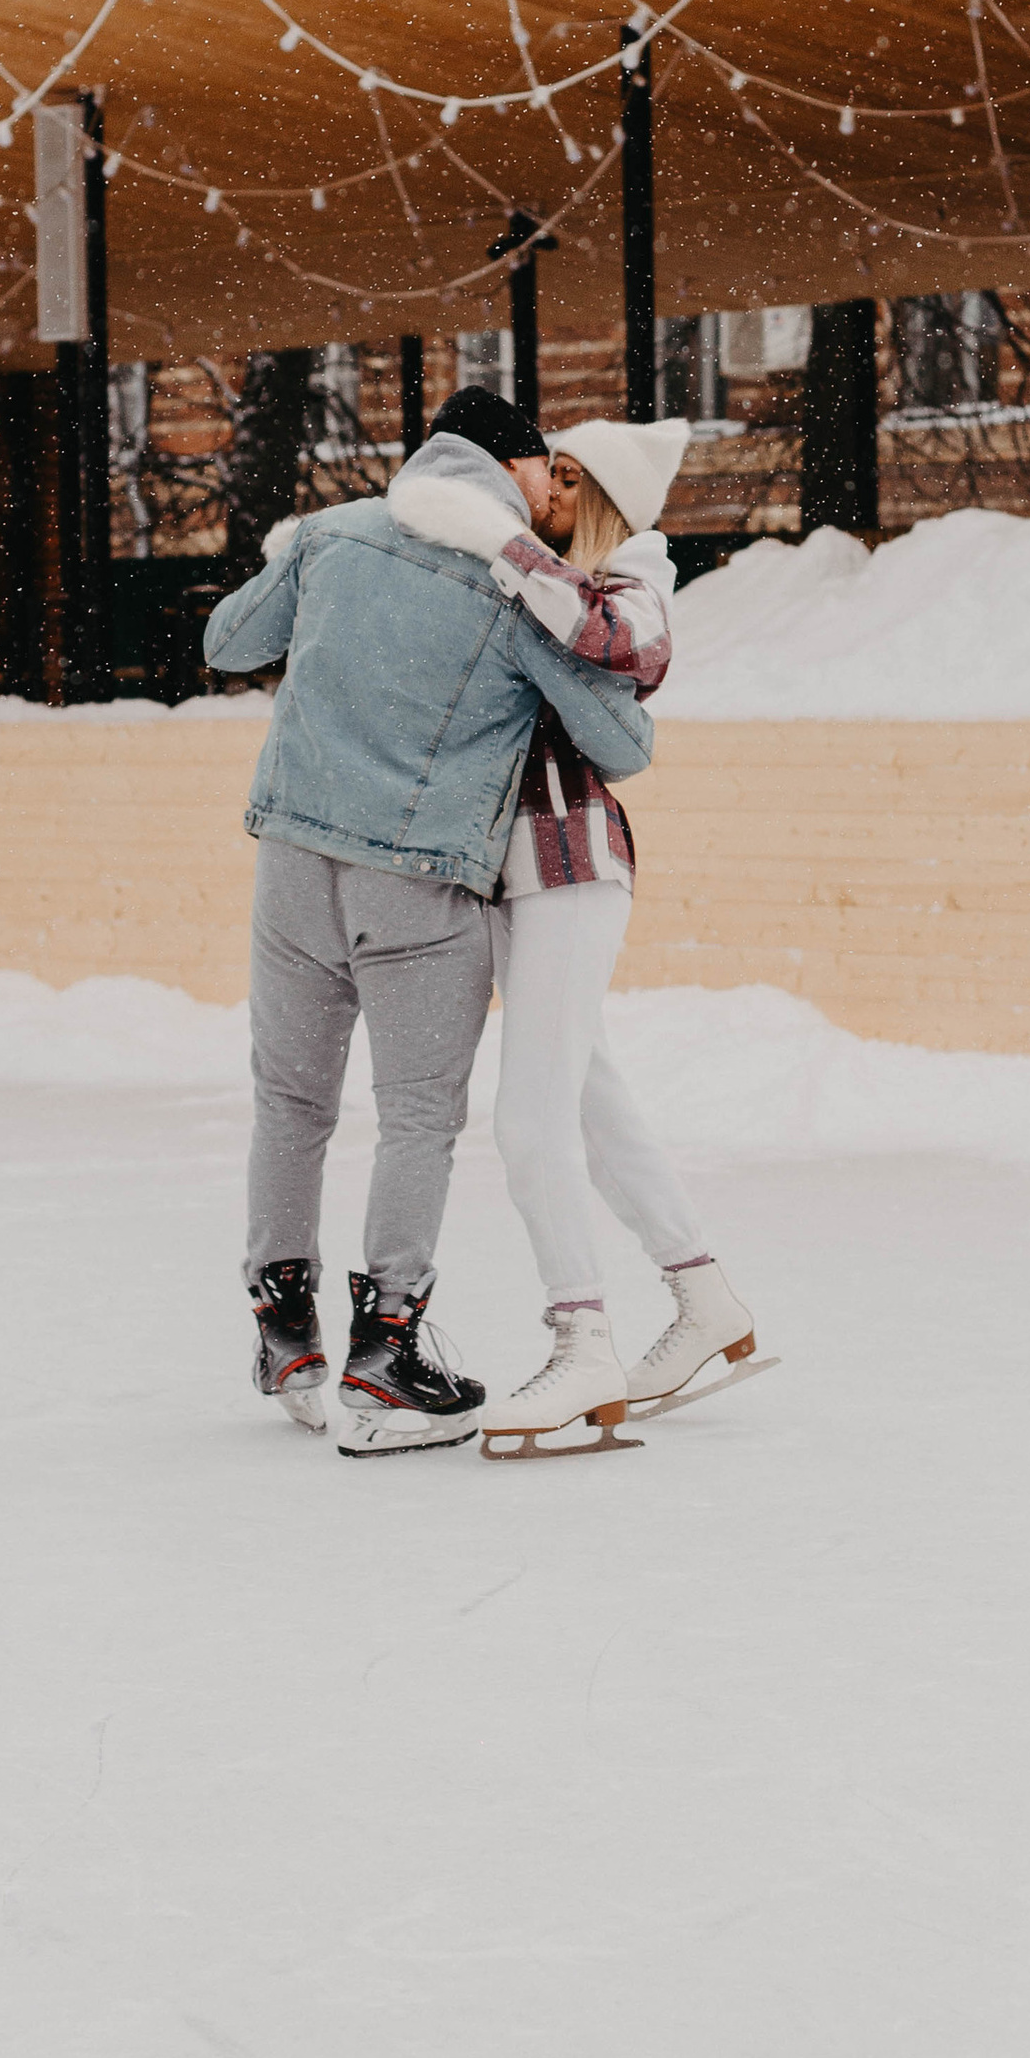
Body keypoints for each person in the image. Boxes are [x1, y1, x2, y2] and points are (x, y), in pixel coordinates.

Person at [199, 387, 654, 1457]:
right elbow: (620, 742)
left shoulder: (334, 533)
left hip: (294, 861)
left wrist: (316, 586)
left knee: (291, 1101)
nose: (556, 493)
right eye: (549, 473)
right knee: (414, 1118)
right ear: (514, 466)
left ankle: (284, 1330)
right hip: (414, 878)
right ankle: (386, 1346)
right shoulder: (508, 577)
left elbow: (228, 643)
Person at [386, 413, 757, 1444]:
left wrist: (489, 541)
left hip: (570, 862)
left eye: (558, 476)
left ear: (591, 493)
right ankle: (702, 1294)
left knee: (528, 1118)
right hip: (512, 874)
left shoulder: (631, 568)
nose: (539, 490)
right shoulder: (531, 581)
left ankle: (581, 1340)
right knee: (592, 1101)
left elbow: (627, 648)